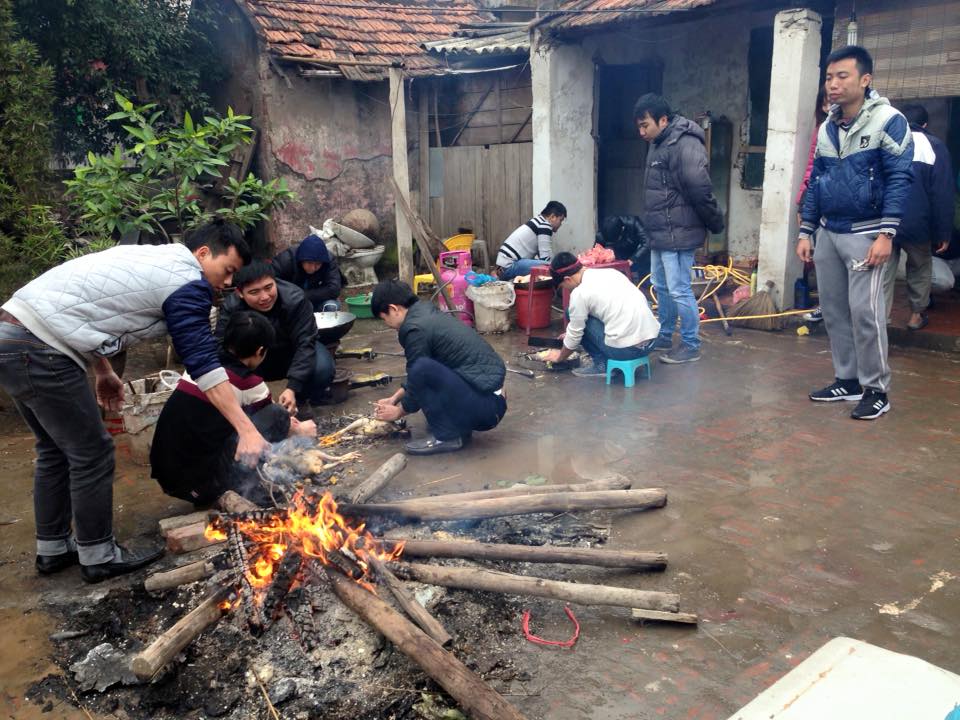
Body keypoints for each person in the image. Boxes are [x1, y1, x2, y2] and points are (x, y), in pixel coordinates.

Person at [0, 220, 271, 582]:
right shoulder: (187, 281)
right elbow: (204, 364)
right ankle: (98, 555)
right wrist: (247, 429)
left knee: (53, 448)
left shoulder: (154, 261)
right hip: (41, 348)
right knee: (92, 452)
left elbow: (83, 307)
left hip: (12, 335)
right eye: (228, 271)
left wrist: (102, 370)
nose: (226, 283)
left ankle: (54, 549)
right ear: (204, 253)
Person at [797, 45, 914, 420]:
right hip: (830, 232)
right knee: (833, 310)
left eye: (842, 76)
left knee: (866, 313)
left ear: (865, 80)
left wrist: (887, 234)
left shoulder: (888, 121)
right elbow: (817, 181)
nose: (832, 84)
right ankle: (846, 380)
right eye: (829, 77)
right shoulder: (827, 127)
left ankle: (876, 389)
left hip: (867, 234)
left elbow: (899, 178)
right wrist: (806, 230)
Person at [151, 312, 317, 506]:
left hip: (167, 475)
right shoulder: (250, 384)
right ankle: (244, 488)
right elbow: (272, 422)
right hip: (203, 484)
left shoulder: (200, 367)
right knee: (277, 415)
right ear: (260, 350)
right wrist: (299, 430)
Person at [634, 93, 725, 364]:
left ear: (663, 120)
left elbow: (699, 187)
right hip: (660, 232)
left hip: (679, 231)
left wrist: (714, 220)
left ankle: (690, 343)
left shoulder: (684, 143)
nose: (641, 132)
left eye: (645, 125)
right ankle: (664, 335)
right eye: (638, 126)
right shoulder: (658, 141)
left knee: (679, 289)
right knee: (660, 286)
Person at [370, 281, 507, 456]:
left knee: (422, 368)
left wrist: (399, 411)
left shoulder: (414, 329)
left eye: (384, 318)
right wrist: (394, 398)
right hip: (490, 401)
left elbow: (419, 371)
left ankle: (448, 436)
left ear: (394, 308)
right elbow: (419, 372)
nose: (388, 324)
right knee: (425, 367)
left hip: (486, 408)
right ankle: (455, 426)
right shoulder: (425, 313)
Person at [216, 261, 334, 418]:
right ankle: (250, 406)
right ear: (240, 293)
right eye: (254, 292)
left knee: (323, 367)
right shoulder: (232, 307)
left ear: (275, 281)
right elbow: (221, 347)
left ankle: (299, 401)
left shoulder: (295, 299)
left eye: (268, 287)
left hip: (291, 352)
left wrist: (293, 387)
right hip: (255, 357)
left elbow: (305, 342)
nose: (264, 297)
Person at [881, 103, 954, 330]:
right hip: (918, 224)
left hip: (885, 222)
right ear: (925, 124)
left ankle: (880, 320)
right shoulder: (935, 146)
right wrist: (943, 231)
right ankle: (915, 317)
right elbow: (941, 192)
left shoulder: (885, 143)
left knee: (883, 273)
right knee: (920, 269)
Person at [542, 252, 660, 377]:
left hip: (627, 351)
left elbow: (575, 336)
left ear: (567, 279)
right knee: (578, 316)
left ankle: (601, 365)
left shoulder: (580, 293)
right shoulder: (611, 272)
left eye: (563, 286)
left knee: (570, 313)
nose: (566, 289)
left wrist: (559, 357)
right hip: (651, 343)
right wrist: (570, 334)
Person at [797, 87, 832, 324]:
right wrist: (802, 200)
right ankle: (825, 306)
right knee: (823, 261)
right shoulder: (821, 131)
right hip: (822, 203)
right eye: (826, 103)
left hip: (848, 210)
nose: (831, 107)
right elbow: (812, 167)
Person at [495, 201, 567, 280]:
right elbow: (546, 259)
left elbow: (543, 256)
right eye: (561, 220)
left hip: (503, 267)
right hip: (509, 267)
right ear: (552, 217)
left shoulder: (538, 221)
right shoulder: (544, 225)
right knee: (552, 267)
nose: (561, 224)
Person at [272, 233, 343, 312]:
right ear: (301, 260)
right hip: (291, 302)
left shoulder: (328, 260)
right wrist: (291, 295)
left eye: (318, 264)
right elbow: (272, 282)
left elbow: (334, 289)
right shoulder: (286, 260)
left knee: (332, 306)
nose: (313, 268)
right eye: (309, 263)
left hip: (317, 300)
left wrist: (303, 295)